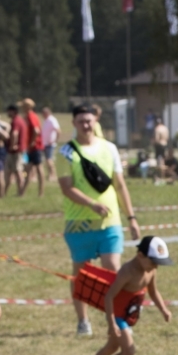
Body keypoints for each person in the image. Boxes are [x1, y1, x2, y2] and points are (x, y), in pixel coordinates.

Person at [59, 103, 141, 336]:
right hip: (79, 224)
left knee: (114, 270)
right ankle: (83, 321)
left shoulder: (110, 148)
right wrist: (91, 204)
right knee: (81, 273)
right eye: (81, 121)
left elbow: (120, 185)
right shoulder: (66, 152)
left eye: (89, 120)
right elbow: (66, 188)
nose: (86, 125)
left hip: (110, 222)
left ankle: (117, 320)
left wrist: (131, 218)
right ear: (74, 124)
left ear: (95, 121)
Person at [80, 235, 175, 355]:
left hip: (127, 314)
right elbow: (109, 296)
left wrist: (163, 309)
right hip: (117, 315)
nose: (155, 267)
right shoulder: (127, 271)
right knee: (129, 351)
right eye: (153, 262)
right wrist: (111, 323)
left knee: (111, 347)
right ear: (140, 256)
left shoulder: (150, 270)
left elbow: (153, 291)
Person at [21, 99, 45, 195]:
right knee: (27, 169)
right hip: (30, 148)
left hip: (35, 148)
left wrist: (32, 142)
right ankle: (22, 192)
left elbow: (36, 130)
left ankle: (41, 192)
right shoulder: (27, 116)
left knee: (39, 169)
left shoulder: (31, 116)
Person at [7, 103, 31, 195]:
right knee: (16, 170)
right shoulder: (21, 120)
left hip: (16, 151)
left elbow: (14, 133)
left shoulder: (15, 121)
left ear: (13, 112)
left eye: (9, 111)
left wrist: (12, 145)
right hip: (20, 150)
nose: (7, 113)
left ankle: (20, 191)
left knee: (18, 171)